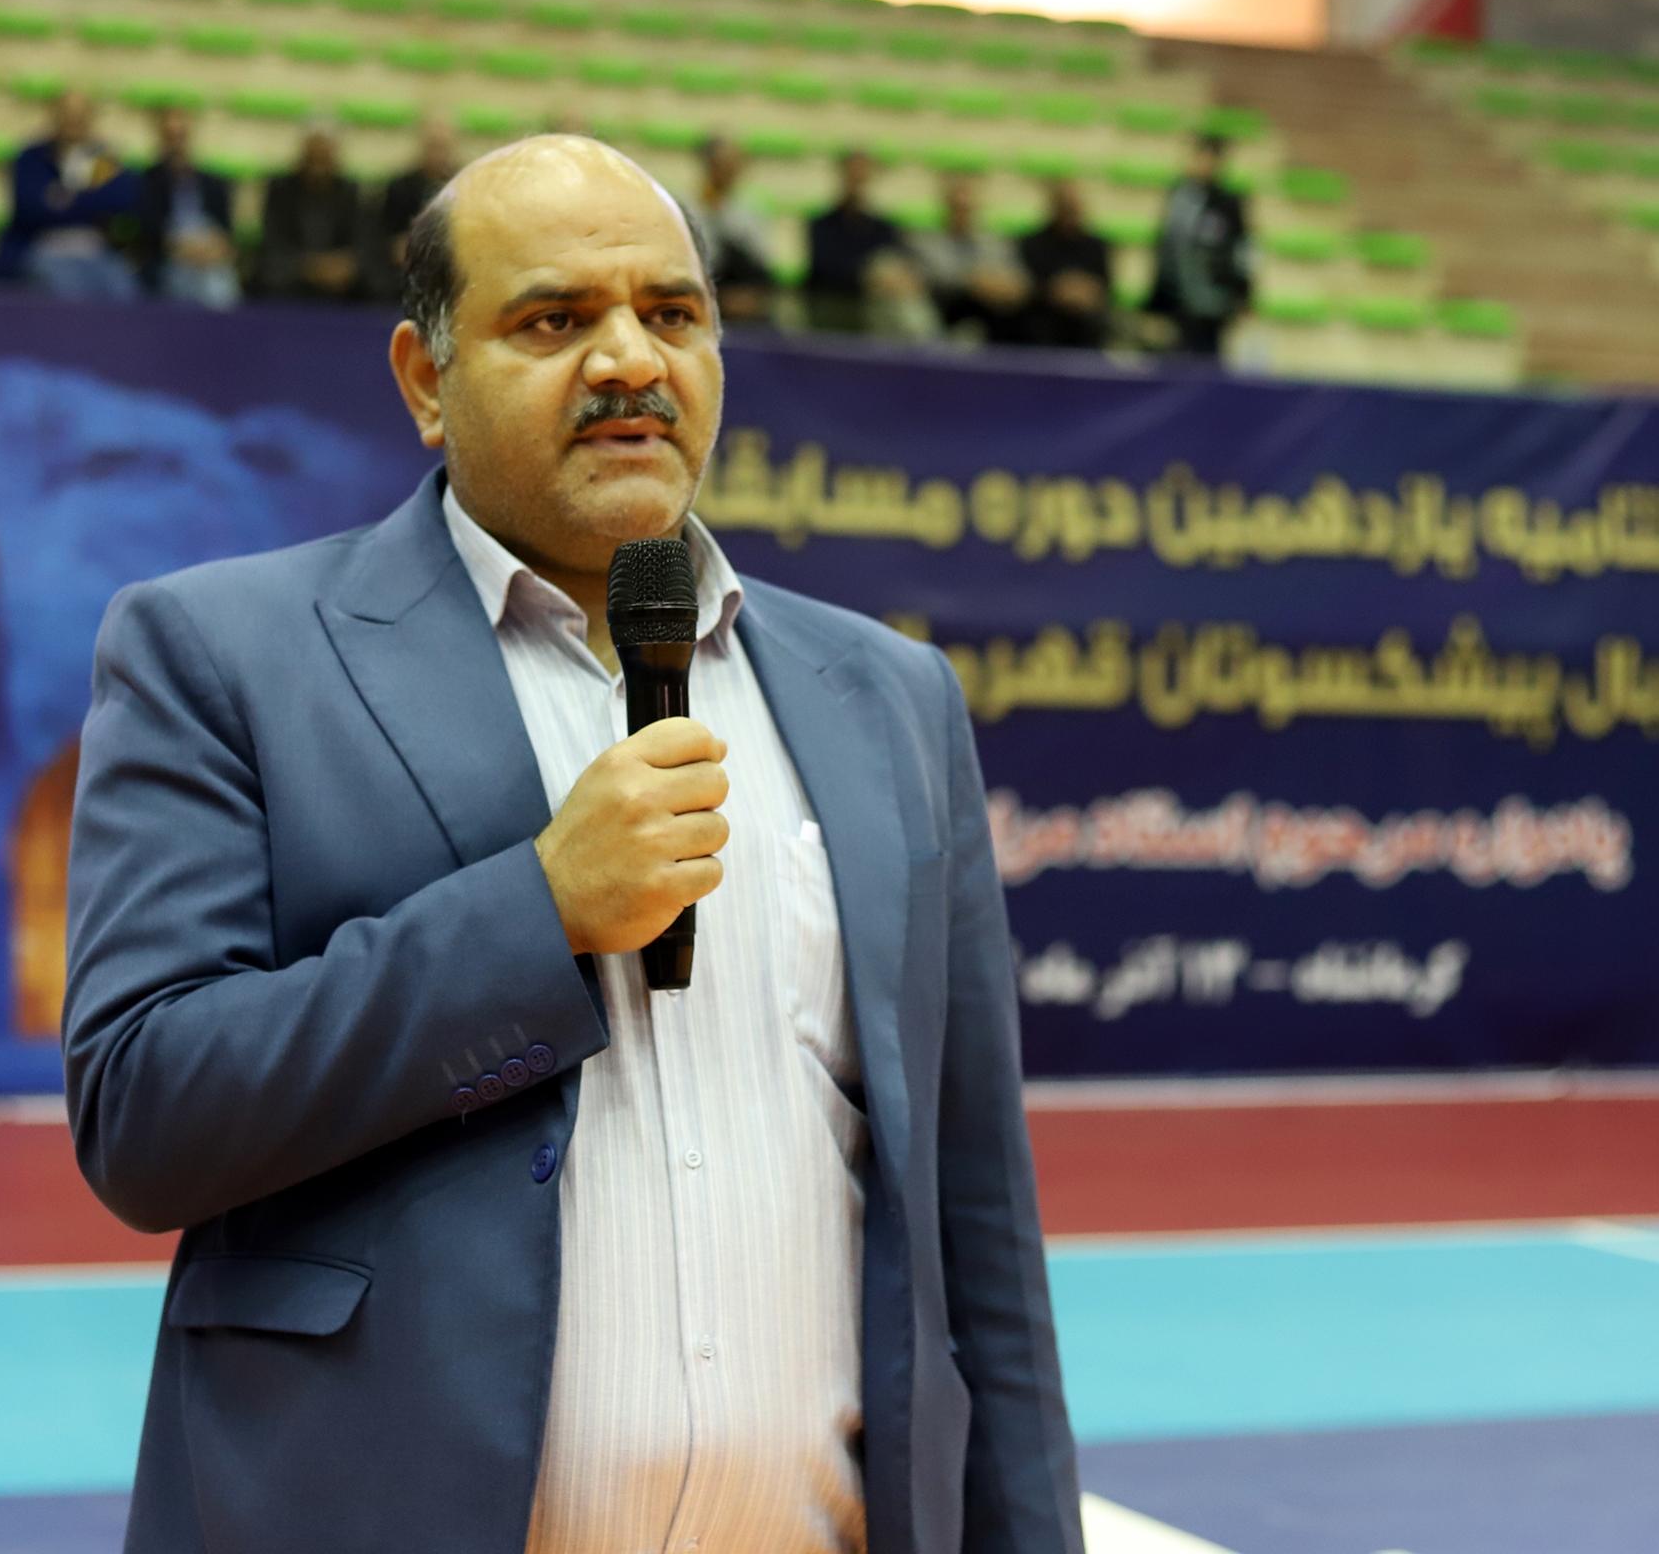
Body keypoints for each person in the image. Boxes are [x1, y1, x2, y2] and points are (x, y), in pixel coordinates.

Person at [63, 134, 1083, 1554]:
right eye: (553, 321)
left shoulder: (890, 697)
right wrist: (536, 915)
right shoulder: (224, 654)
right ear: (427, 380)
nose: (629, 361)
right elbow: (146, 1114)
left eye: (672, 314)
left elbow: (976, 1233)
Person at [0, 89, 139, 300]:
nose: (73, 121)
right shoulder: (31, 158)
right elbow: (29, 209)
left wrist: (64, 199)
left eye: (80, 115)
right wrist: (90, 199)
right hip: (45, 250)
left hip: (98, 252)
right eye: (68, 114)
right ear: (55, 116)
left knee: (124, 291)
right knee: (70, 291)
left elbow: (122, 201)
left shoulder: (104, 159)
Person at [1146, 132, 1254, 358]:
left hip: (1213, 298)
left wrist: (1244, 293)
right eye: (1199, 156)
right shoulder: (1178, 195)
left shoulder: (1228, 202)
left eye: (1209, 158)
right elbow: (1165, 245)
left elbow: (1242, 250)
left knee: (1207, 356)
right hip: (1177, 297)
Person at [132, 106, 239, 309]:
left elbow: (227, 232)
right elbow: (147, 230)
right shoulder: (147, 181)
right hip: (170, 260)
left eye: (181, 136)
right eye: (170, 136)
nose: (176, 143)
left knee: (219, 285)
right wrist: (181, 249)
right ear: (161, 139)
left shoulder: (213, 183)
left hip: (210, 259)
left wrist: (215, 250)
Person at [910, 172, 1028, 343]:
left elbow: (1017, 279)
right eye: (957, 207)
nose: (962, 213)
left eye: (966, 208)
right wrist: (973, 281)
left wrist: (1004, 286)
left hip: (989, 309)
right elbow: (927, 277)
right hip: (945, 307)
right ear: (946, 207)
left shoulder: (996, 243)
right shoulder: (923, 241)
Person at [254, 123, 364, 301]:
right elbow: (273, 244)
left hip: (340, 280)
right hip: (293, 275)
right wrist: (311, 267)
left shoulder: (350, 192)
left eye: (323, 158)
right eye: (313, 158)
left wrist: (342, 265)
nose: (318, 167)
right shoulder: (280, 190)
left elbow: (362, 242)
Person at [804, 147, 908, 333]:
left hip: (876, 304)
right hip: (834, 304)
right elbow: (824, 269)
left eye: (862, 175)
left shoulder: (885, 228)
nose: (857, 180)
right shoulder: (821, 225)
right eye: (853, 174)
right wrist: (868, 277)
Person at [366, 118, 460, 300]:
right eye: (433, 147)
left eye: (442, 147)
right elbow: (383, 234)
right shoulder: (399, 187)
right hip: (403, 270)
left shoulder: (463, 186)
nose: (438, 155)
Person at [1016, 179, 1114, 350]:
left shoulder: (1096, 245)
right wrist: (1058, 291)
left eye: (1073, 207)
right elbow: (1028, 285)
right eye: (1065, 206)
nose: (1070, 212)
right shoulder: (1032, 243)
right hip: (1045, 314)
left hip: (1086, 316)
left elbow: (1105, 284)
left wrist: (1085, 293)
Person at [691, 134, 777, 323]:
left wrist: (749, 297)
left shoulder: (752, 209)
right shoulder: (689, 208)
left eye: (732, 164)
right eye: (720, 164)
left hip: (747, 302)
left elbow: (761, 264)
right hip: (703, 298)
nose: (727, 170)